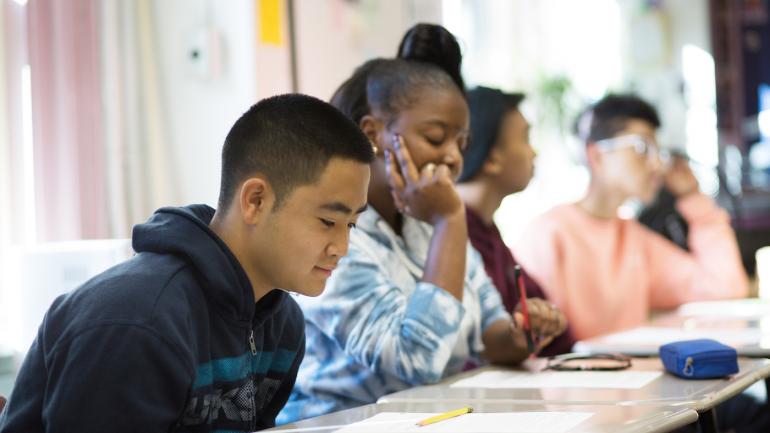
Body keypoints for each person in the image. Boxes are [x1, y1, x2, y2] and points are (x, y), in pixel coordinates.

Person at [0, 94, 373, 432]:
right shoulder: (138, 323)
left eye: (351, 224)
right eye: (328, 222)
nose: (342, 247)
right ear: (256, 201)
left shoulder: (282, 325)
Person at [278, 24, 566, 424]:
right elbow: (415, 362)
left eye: (462, 144)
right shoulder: (335, 235)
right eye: (435, 138)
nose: (452, 157)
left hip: (437, 421)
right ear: (373, 135)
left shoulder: (429, 225)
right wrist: (450, 220)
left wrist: (522, 333)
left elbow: (493, 332)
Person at [514, 93, 748, 341]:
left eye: (657, 150)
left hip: (630, 376)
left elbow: (725, 287)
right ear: (597, 155)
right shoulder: (548, 234)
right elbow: (531, 337)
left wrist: (693, 198)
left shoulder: (635, 239)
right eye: (642, 147)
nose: (657, 164)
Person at [456, 87, 574, 355]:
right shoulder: (454, 233)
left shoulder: (486, 230)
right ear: (492, 157)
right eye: (525, 138)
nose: (534, 153)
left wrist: (545, 318)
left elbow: (554, 325)